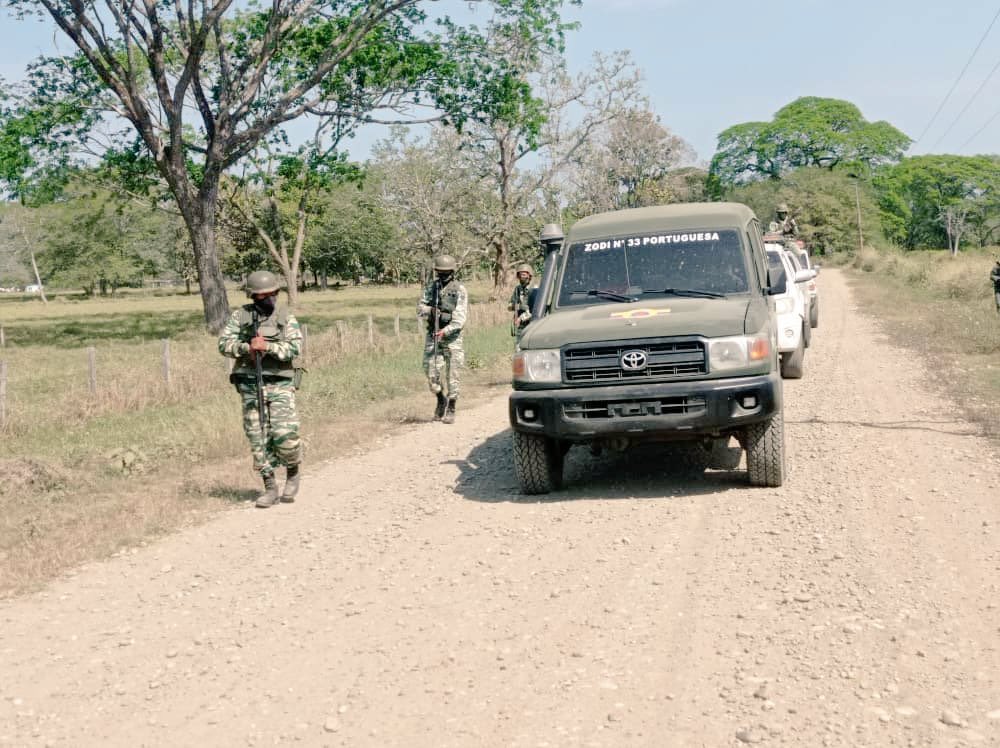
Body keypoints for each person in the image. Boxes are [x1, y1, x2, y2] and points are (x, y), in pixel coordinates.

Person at [218, 270, 303, 508]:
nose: (266, 300)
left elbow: (294, 349)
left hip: (279, 383)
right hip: (250, 385)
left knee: (284, 435)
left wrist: (268, 347)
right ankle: (270, 487)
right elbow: (224, 344)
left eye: (270, 295)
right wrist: (247, 348)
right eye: (260, 296)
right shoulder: (241, 316)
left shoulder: (286, 317)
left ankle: (293, 471)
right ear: (252, 297)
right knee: (257, 437)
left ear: (277, 293)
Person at [417, 254, 468, 424]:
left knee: (453, 374)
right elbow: (419, 307)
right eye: (440, 272)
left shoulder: (459, 290)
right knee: (430, 372)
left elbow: (460, 319)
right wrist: (431, 311)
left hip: (452, 338)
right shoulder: (432, 288)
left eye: (446, 272)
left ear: (452, 272)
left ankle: (451, 406)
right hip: (433, 335)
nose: (443, 275)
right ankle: (440, 398)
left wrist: (445, 330)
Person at [508, 263, 535, 335]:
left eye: (524, 275)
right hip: (520, 324)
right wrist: (514, 306)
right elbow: (510, 305)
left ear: (529, 276)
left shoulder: (534, 289)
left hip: (532, 323)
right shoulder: (518, 289)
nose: (521, 277)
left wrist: (520, 318)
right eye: (520, 275)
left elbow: (534, 310)